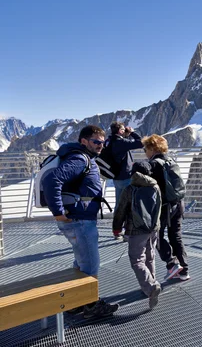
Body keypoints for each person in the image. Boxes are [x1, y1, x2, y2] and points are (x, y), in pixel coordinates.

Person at [42, 125, 119, 319]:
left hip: (80, 219)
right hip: (79, 220)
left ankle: (75, 303)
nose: (101, 146)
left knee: (81, 261)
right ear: (83, 141)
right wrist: (58, 212)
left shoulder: (83, 157)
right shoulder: (79, 158)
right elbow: (52, 180)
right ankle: (91, 306)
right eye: (96, 142)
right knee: (90, 265)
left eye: (103, 142)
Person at [135, 134, 190, 281]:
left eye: (145, 148)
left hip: (165, 207)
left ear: (152, 148)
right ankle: (184, 271)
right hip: (178, 204)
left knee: (157, 236)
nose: (145, 151)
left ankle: (171, 264)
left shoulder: (154, 164)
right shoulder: (171, 160)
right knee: (176, 236)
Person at [112, 163, 162, 309]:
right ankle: (149, 286)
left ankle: (151, 287)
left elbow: (120, 210)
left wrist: (116, 229)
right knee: (150, 256)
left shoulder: (130, 189)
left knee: (137, 260)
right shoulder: (155, 186)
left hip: (136, 230)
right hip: (153, 229)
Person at [107, 122, 144, 208]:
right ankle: (129, 220)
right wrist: (132, 133)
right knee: (130, 203)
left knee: (119, 203)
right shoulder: (122, 142)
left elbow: (122, 146)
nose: (125, 131)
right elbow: (140, 142)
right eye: (123, 129)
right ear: (120, 131)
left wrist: (126, 135)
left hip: (115, 176)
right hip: (125, 176)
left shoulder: (109, 141)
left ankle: (117, 220)